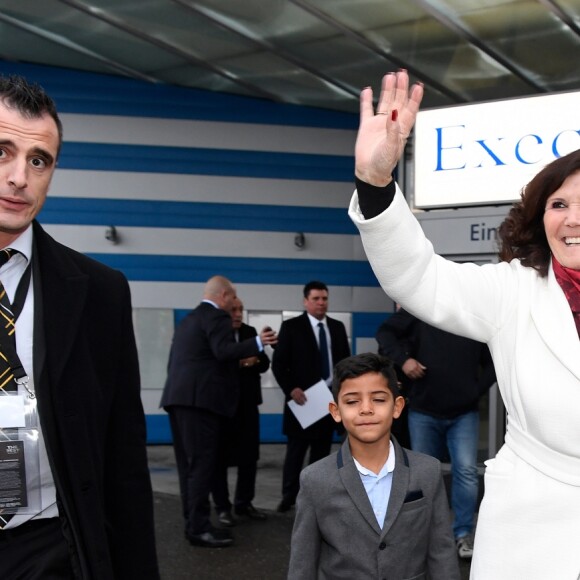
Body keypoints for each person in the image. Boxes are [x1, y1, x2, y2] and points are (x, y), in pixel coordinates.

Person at [349, 69, 580, 578]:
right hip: (530, 527)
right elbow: (418, 277)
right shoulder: (513, 288)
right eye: (559, 204)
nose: (572, 220)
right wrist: (376, 182)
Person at [0, 75, 159, 577]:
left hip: (48, 546)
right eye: (2, 151)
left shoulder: (99, 292)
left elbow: (124, 461)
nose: (19, 177)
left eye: (38, 160)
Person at [287, 352, 460, 580]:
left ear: (397, 407)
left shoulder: (427, 470)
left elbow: (441, 551)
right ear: (336, 411)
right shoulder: (315, 479)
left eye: (378, 399)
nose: (366, 409)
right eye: (352, 401)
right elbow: (302, 563)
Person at [160, 276, 276, 548]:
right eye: (232, 298)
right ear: (224, 295)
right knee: (201, 466)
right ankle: (199, 529)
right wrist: (258, 343)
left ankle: (193, 524)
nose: (234, 304)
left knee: (188, 468)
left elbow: (177, 361)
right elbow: (223, 351)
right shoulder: (216, 316)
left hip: (178, 400)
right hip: (202, 403)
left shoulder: (189, 319)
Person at [376, 307, 496, 559]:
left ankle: (462, 535)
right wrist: (404, 360)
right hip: (424, 411)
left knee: (465, 472)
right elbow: (385, 333)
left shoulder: (473, 318)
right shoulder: (423, 310)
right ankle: (423, 536)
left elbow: (494, 362)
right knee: (421, 477)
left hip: (464, 413)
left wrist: (475, 391)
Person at [272, 280, 350, 512]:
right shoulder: (292, 327)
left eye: (324, 298)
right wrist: (291, 388)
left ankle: (317, 498)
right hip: (302, 401)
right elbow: (279, 365)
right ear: (306, 301)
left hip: (327, 402)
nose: (321, 303)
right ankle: (289, 496)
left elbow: (344, 365)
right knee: (296, 452)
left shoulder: (337, 328)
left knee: (322, 453)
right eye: (316, 299)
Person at [212, 297, 270, 524]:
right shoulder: (217, 333)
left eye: (240, 310)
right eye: (233, 310)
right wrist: (241, 362)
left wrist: (251, 362)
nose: (237, 314)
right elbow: (216, 362)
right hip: (222, 407)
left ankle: (244, 503)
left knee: (249, 457)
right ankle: (222, 507)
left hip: (247, 405)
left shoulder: (250, 331)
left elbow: (264, 362)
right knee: (220, 459)